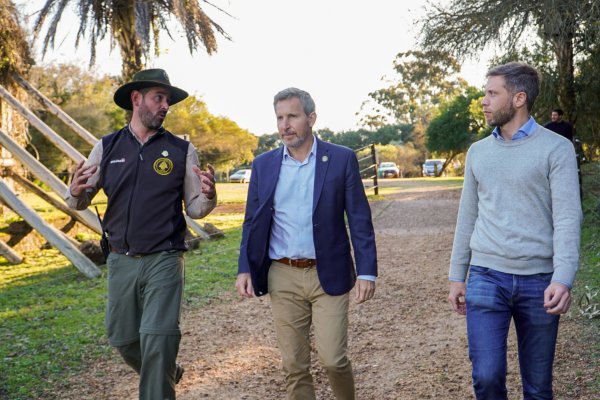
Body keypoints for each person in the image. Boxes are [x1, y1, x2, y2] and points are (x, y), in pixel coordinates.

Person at [65, 68, 217, 400]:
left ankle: (160, 369)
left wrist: (209, 196)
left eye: (167, 101)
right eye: (158, 98)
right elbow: (80, 198)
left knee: (159, 339)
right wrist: (75, 191)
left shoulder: (180, 150)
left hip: (164, 258)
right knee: (122, 339)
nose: (165, 106)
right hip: (120, 260)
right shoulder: (107, 146)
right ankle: (165, 371)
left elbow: (194, 207)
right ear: (137, 99)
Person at [448, 62, 582, 400]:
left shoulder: (556, 149)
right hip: (485, 276)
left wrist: (563, 278)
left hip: (539, 280)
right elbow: (468, 215)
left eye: (493, 93)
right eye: (485, 93)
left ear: (519, 98)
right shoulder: (478, 152)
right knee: (486, 377)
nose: (484, 101)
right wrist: (456, 275)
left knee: (538, 388)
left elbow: (567, 217)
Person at [235, 87, 378, 400]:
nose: (285, 125)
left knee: (333, 359)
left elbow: (359, 219)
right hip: (282, 273)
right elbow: (252, 221)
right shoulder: (264, 165)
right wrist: (244, 267)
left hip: (328, 272)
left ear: (311, 118)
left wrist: (367, 271)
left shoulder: (341, 159)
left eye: (292, 116)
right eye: (280, 118)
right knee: (294, 364)